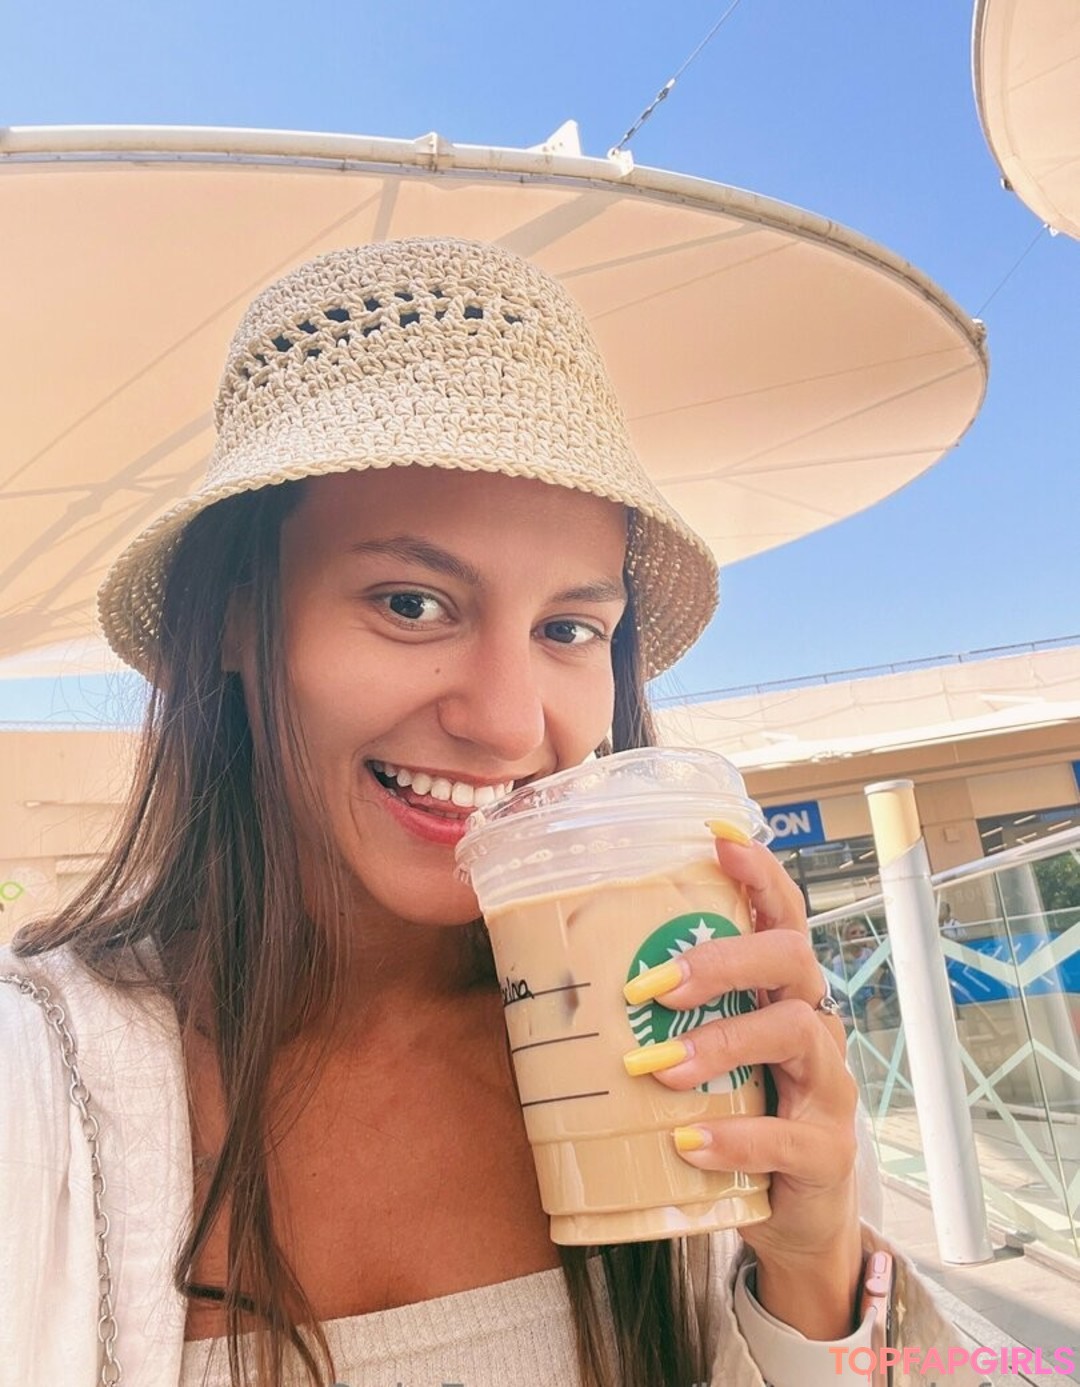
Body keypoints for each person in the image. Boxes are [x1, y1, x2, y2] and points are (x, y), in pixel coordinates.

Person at [0, 239, 980, 1387]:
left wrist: (815, 1268)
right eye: (413, 603)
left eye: (569, 629)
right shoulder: (40, 1089)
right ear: (235, 617)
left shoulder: (678, 1036)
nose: (509, 724)